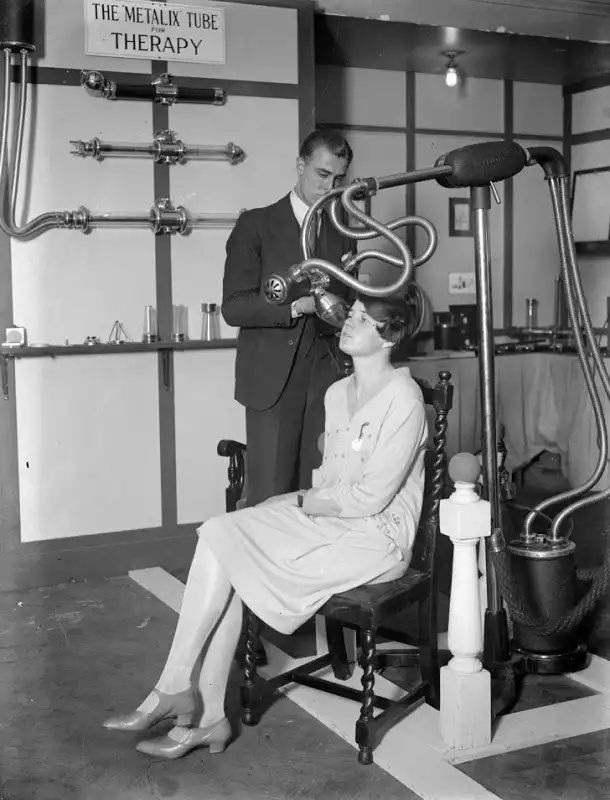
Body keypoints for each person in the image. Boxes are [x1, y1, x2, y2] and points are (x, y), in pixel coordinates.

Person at [102, 295, 429, 760]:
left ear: (389, 336)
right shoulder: (337, 393)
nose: (347, 321)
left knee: (230, 548)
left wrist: (297, 502)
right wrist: (298, 504)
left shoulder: (405, 398)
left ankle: (185, 702)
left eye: (362, 318)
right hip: (331, 519)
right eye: (351, 313)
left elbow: (371, 498)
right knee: (222, 533)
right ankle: (195, 706)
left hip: (377, 539)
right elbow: (331, 480)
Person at [221, 129, 355, 509]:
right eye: (322, 174)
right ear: (300, 166)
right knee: (271, 498)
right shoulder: (255, 225)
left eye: (339, 179)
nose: (330, 187)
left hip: (326, 380)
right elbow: (233, 307)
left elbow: (348, 300)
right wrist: (297, 307)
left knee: (318, 496)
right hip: (271, 381)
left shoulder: (343, 231)